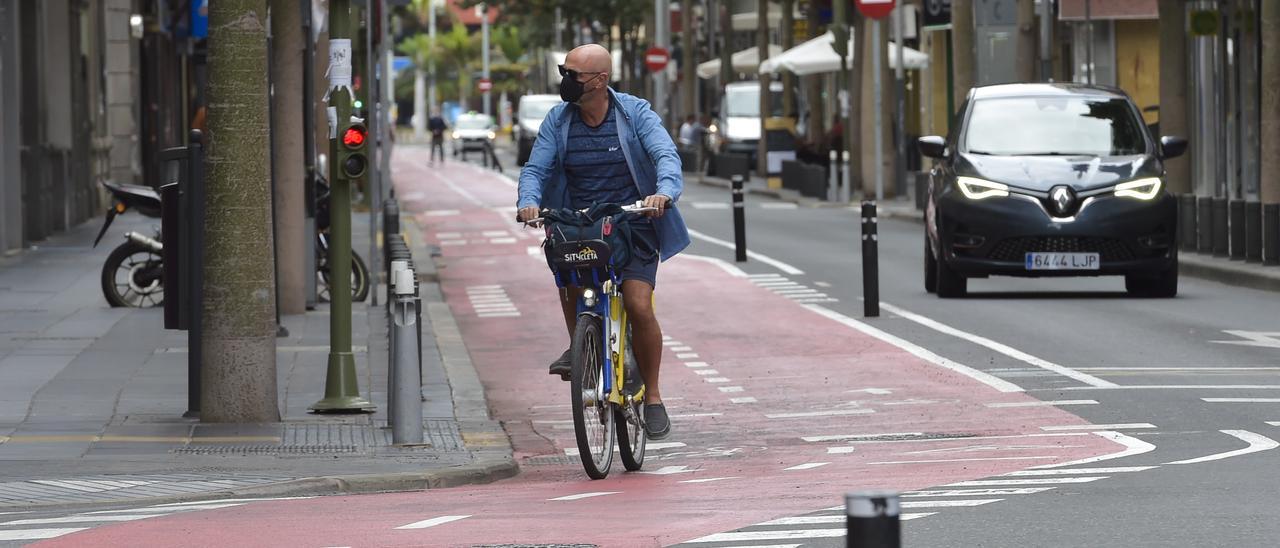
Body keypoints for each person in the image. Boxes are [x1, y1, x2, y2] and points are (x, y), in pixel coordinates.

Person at [517, 44, 690, 440]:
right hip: (580, 223)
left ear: (599, 81)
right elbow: (536, 168)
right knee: (567, 273)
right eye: (564, 71)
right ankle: (582, 348)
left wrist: (662, 193)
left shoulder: (634, 113)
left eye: (573, 75)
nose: (565, 81)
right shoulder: (558, 121)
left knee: (637, 303)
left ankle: (654, 397)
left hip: (634, 222)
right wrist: (528, 202)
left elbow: (665, 154)